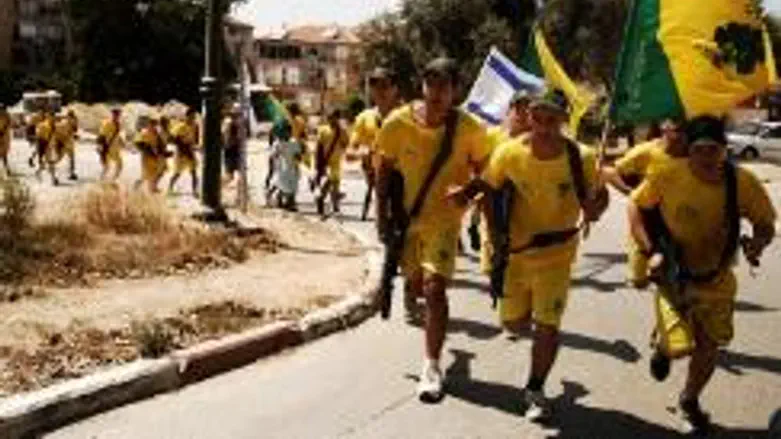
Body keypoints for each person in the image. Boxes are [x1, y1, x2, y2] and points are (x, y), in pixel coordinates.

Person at [449, 89, 609, 420]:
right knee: (512, 323)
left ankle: (535, 389)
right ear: (530, 117)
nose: (545, 126)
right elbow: (488, 187)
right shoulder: (509, 154)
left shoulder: (583, 157)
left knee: (546, 327)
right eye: (539, 118)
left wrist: (596, 208)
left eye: (553, 120)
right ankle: (543, 344)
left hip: (557, 256)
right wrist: (469, 199)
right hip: (515, 256)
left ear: (564, 121)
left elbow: (601, 194)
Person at [628, 115, 776, 434]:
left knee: (709, 347)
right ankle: (663, 348)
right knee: (680, 346)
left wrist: (757, 244)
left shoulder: (743, 182)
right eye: (700, 150)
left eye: (715, 150)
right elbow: (635, 207)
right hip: (674, 278)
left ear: (725, 150)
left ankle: (689, 400)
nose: (708, 158)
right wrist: (649, 249)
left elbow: (766, 225)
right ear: (688, 150)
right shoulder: (667, 175)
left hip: (718, 279)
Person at [374, 57, 490, 402]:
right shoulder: (396, 124)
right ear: (421, 86)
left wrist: (469, 192)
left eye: (444, 85)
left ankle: (432, 365)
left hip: (443, 222)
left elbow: (489, 173)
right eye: (430, 84)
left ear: (456, 90)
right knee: (415, 283)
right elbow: (383, 172)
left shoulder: (469, 128)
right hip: (406, 222)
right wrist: (382, 218)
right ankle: (413, 293)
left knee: (435, 288)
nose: (436, 92)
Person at [601, 119, 688, 288]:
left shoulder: (693, 154)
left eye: (685, 131)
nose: (681, 136)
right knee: (639, 281)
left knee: (673, 278)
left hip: (676, 219)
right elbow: (610, 172)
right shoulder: (646, 151)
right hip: (645, 216)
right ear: (664, 128)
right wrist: (630, 193)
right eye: (677, 129)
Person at [477, 90, 534, 275]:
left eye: (528, 109)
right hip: (493, 197)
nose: (523, 114)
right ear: (509, 110)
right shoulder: (492, 136)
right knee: (492, 241)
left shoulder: (536, 140)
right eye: (518, 108)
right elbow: (478, 163)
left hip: (523, 201)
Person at [349, 67, 402, 221]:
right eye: (375, 86)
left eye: (385, 86)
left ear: (395, 89)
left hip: (403, 181)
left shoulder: (406, 117)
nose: (380, 91)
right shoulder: (364, 118)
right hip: (376, 180)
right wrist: (363, 152)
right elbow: (350, 152)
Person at [313, 108, 349, 216]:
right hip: (325, 162)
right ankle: (321, 199)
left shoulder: (342, 131)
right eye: (329, 118)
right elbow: (318, 146)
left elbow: (345, 143)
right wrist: (317, 162)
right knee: (329, 182)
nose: (331, 120)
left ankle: (334, 206)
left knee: (335, 184)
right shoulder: (323, 130)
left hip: (336, 162)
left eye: (333, 118)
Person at [269, 120, 303, 211]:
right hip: (286, 168)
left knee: (284, 186)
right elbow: (298, 156)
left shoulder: (279, 143)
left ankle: (285, 202)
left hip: (287, 168)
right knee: (287, 186)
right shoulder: (290, 143)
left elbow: (273, 156)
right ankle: (287, 203)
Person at [168, 108, 201, 197]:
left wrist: (194, 145)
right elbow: (171, 138)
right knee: (177, 173)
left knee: (194, 172)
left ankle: (195, 191)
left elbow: (196, 139)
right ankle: (170, 188)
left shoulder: (195, 126)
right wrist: (181, 142)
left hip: (190, 151)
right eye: (191, 116)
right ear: (186, 116)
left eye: (194, 116)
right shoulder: (180, 126)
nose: (192, 118)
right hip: (181, 152)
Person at [133, 117, 170, 193]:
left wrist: (165, 153)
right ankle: (151, 191)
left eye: (155, 124)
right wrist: (147, 148)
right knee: (149, 175)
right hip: (146, 158)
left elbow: (160, 146)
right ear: (149, 125)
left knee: (152, 174)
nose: (154, 126)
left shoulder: (157, 134)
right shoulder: (145, 133)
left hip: (155, 157)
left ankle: (146, 187)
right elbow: (138, 143)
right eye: (152, 124)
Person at [97, 108, 125, 181]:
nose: (117, 116)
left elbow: (118, 135)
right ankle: (101, 181)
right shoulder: (107, 123)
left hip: (115, 148)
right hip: (107, 148)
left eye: (118, 115)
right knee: (106, 167)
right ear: (112, 114)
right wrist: (100, 147)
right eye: (115, 114)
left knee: (120, 165)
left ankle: (113, 180)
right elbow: (101, 135)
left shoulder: (119, 124)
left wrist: (122, 142)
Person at [222, 104, 244, 187]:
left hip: (234, 148)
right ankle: (217, 187)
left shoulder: (233, 121)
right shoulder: (229, 121)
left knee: (237, 173)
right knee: (230, 174)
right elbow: (226, 135)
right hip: (231, 149)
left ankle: (238, 195)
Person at [34, 111, 56, 182]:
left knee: (49, 162)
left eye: (52, 117)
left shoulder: (53, 125)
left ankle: (52, 178)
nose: (52, 118)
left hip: (48, 145)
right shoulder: (42, 125)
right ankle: (52, 178)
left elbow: (53, 136)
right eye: (50, 117)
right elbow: (38, 137)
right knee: (48, 162)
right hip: (42, 144)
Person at [64, 109, 79, 180]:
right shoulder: (71, 122)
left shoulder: (66, 122)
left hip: (68, 141)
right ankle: (71, 173)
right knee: (70, 158)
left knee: (70, 158)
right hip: (68, 141)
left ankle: (71, 173)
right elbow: (75, 130)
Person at [0, 105, 11, 176]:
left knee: (4, 154)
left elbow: (7, 124)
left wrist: (3, 131)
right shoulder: (6, 115)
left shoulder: (6, 115)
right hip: (3, 135)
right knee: (4, 155)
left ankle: (7, 169)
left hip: (4, 135)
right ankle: (7, 169)